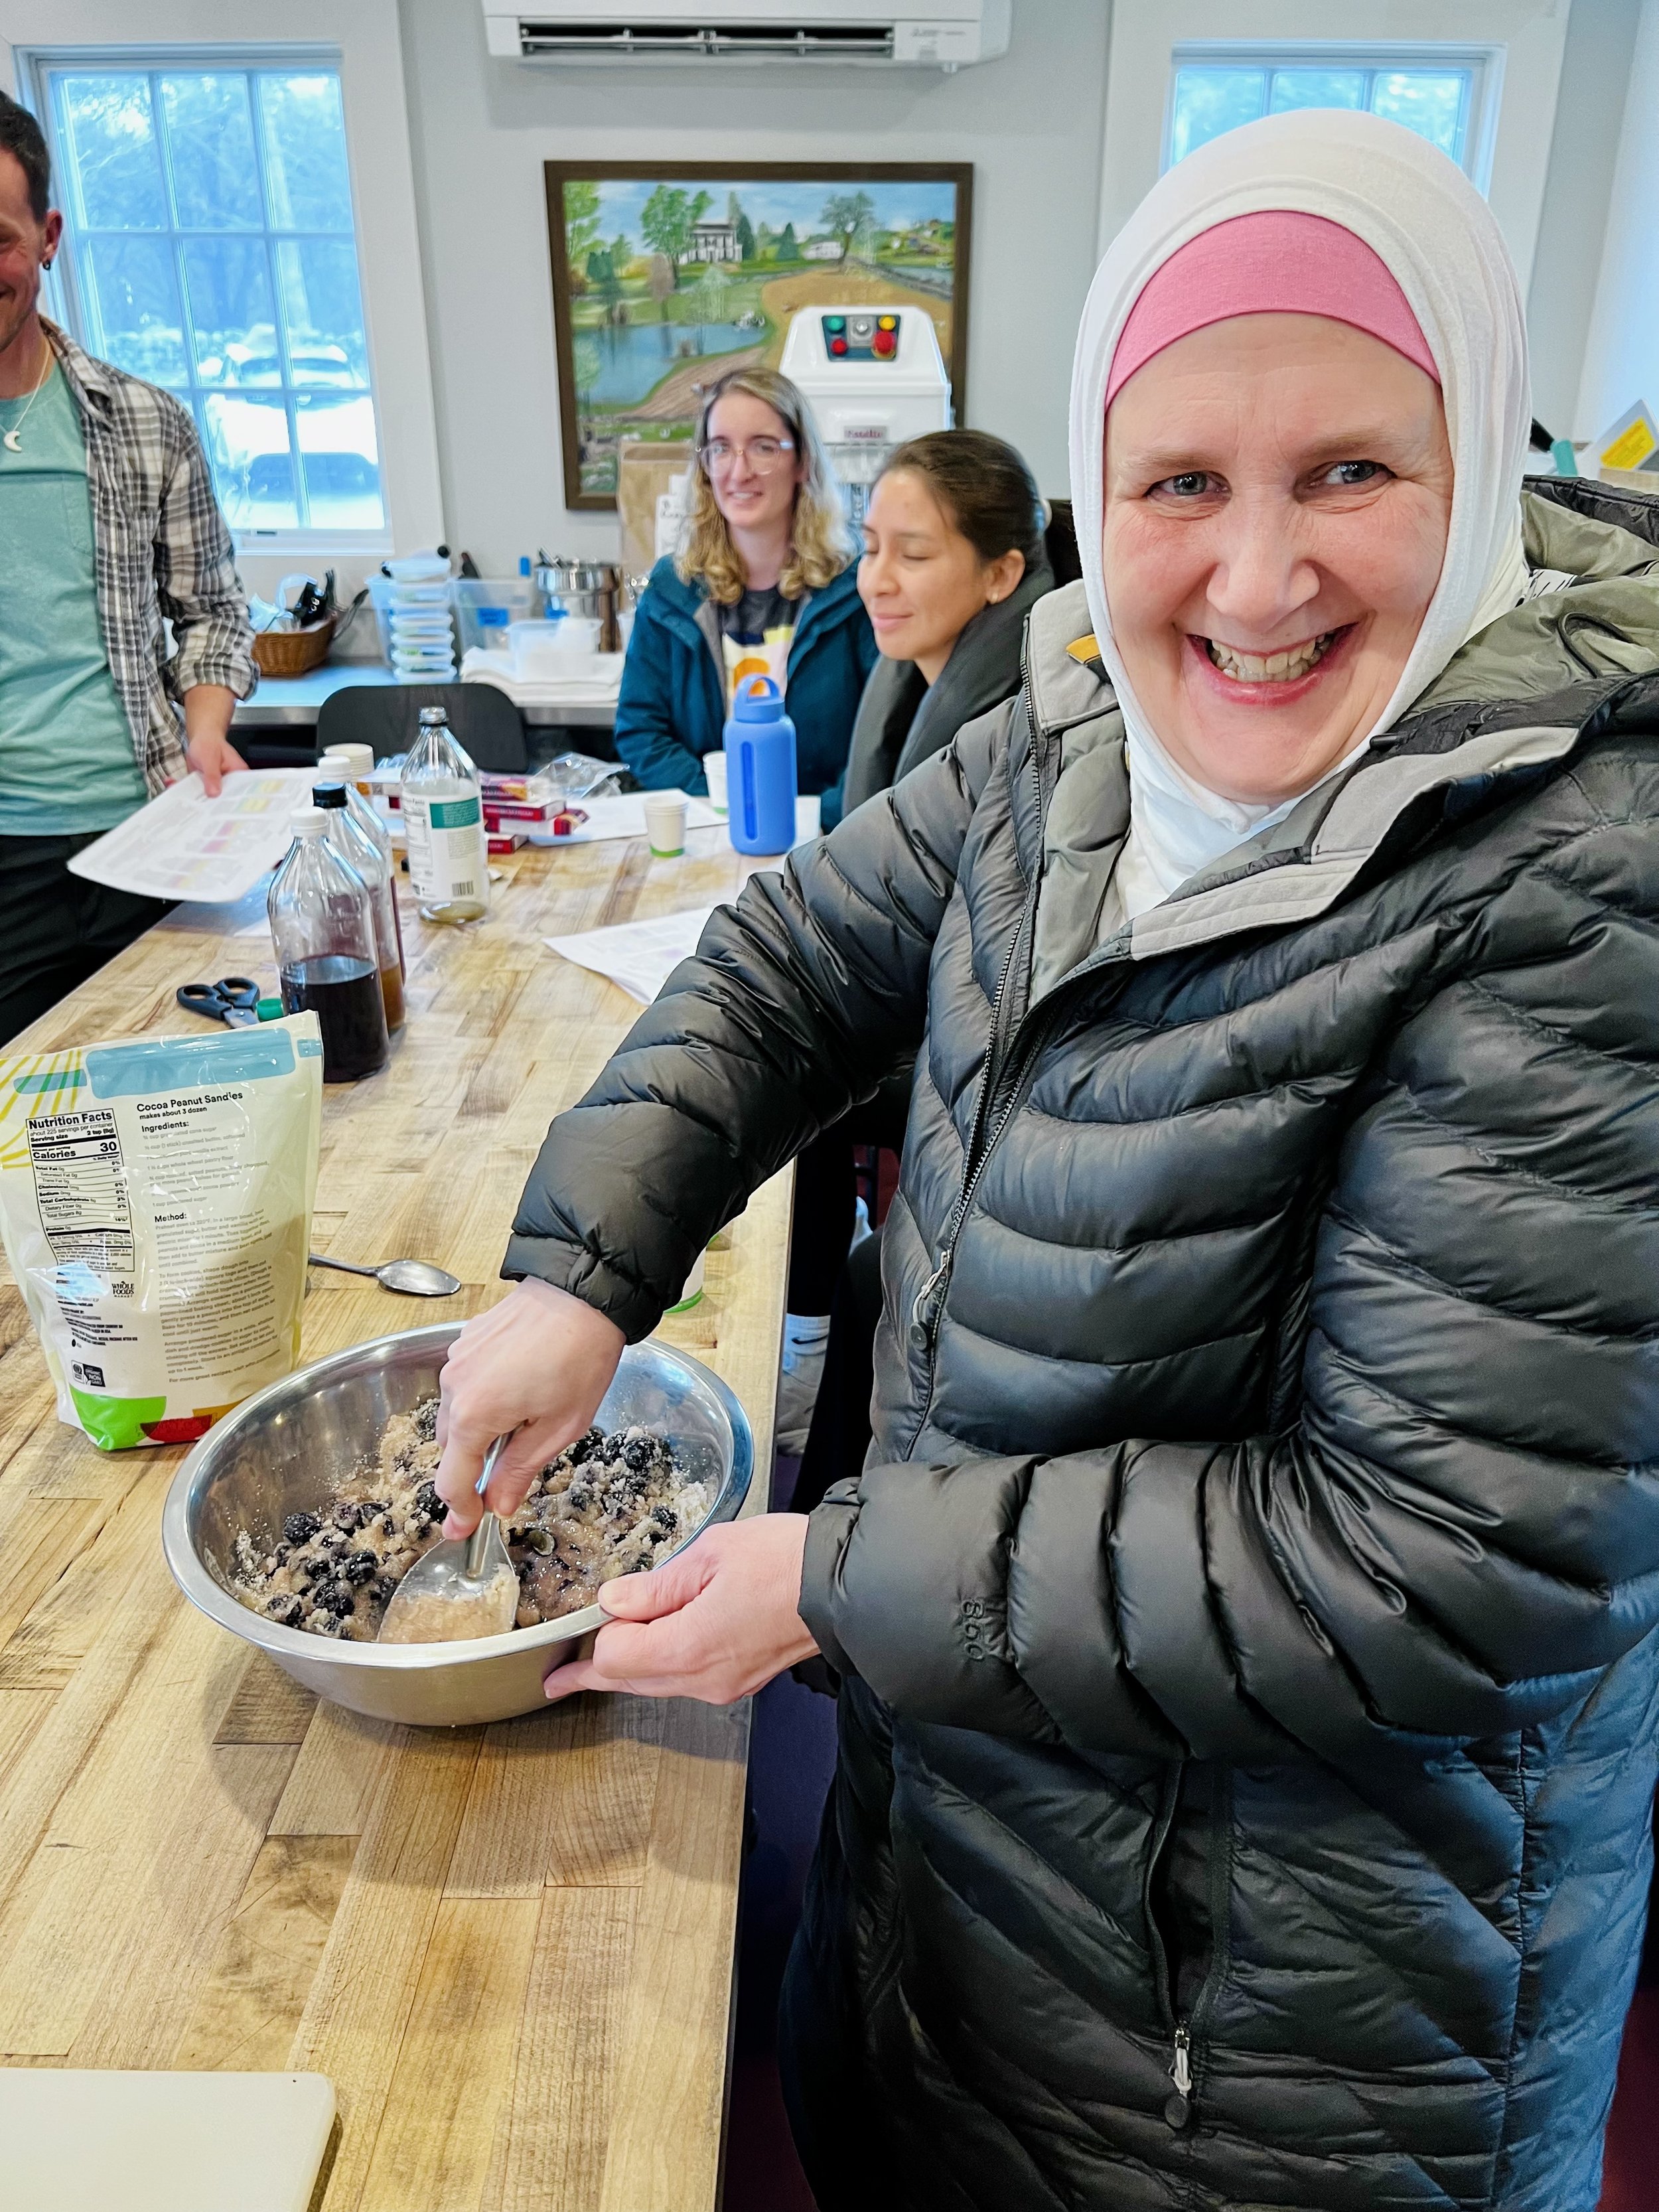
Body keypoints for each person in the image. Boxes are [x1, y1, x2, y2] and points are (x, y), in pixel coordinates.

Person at [434, 110, 1659, 2212]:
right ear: (1098, 493)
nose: (1254, 578)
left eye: (1345, 473)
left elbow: (1439, 1566)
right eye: (1178, 483)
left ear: (1468, 472)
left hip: (1272, 2065)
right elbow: (792, 957)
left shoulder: (1579, 879)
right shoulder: (1077, 736)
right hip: (978, 1898)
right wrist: (582, 1268)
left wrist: (833, 1577)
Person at [783, 430, 1052, 1461]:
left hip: (994, 1066)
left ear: (1002, 572)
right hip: (924, 1015)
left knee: (806, 1077)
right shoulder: (913, 684)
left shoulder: (1023, 717)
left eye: (913, 553)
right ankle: (797, 1339)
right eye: (869, 546)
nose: (877, 580)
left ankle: (807, 1360)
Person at [0, 92, 255, 1045]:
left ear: (49, 235)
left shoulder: (145, 423)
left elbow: (215, 611)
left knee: (182, 1106)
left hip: (151, 836)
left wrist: (205, 728)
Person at [613, 366, 875, 799]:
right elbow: (642, 731)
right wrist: (723, 806)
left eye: (763, 447)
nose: (739, 471)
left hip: (827, 841)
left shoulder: (856, 590)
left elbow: (879, 741)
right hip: (708, 832)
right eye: (721, 449)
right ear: (705, 467)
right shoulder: (670, 591)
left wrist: (815, 824)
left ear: (802, 462)